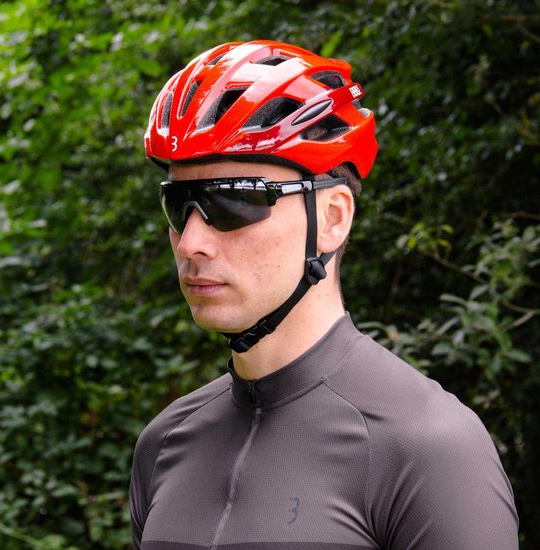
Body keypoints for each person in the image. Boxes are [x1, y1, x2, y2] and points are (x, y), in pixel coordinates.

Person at [129, 40, 518, 549]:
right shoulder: (163, 443)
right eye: (179, 205)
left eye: (233, 202)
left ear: (332, 218)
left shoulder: (429, 446)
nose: (191, 243)